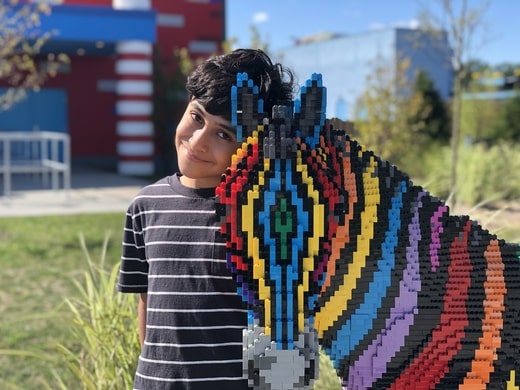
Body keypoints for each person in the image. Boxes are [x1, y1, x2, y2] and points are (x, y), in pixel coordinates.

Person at [118, 48, 295, 390]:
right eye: (197, 118)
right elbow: (148, 304)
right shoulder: (144, 206)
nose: (198, 142)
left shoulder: (262, 215)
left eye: (223, 134)